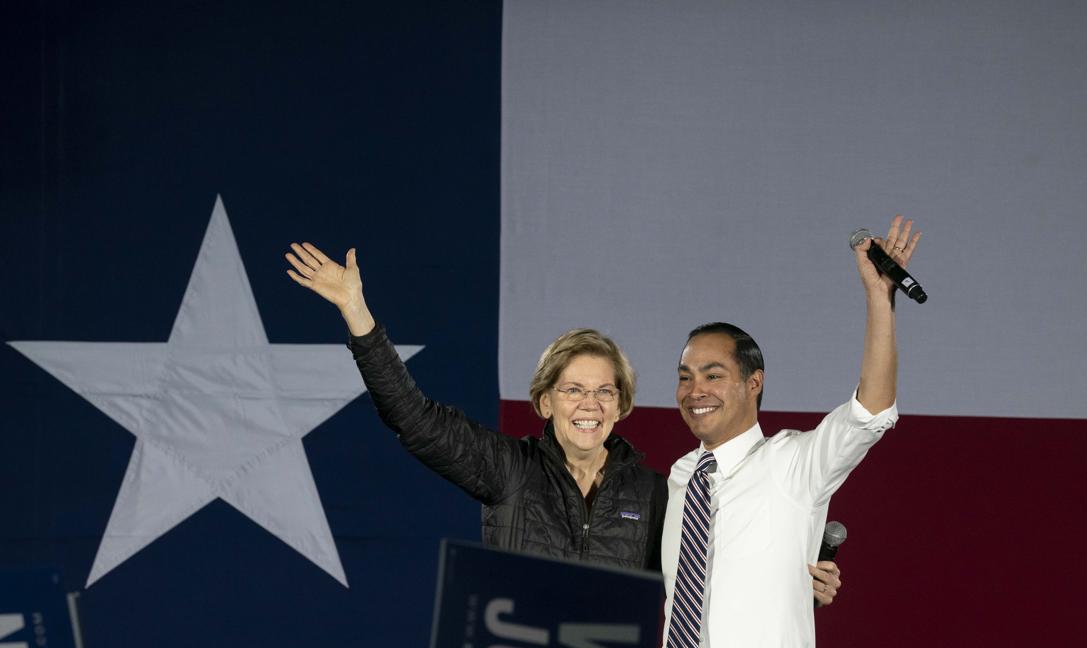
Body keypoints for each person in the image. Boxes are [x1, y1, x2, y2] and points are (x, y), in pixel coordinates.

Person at [282, 244, 844, 597]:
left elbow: (714, 574)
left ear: (622, 406)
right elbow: (413, 418)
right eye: (573, 390)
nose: (590, 404)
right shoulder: (507, 470)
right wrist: (356, 311)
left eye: (605, 391)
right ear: (545, 402)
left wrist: (801, 578)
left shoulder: (658, 493)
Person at [656, 215, 921, 648]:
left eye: (713, 375)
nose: (695, 390)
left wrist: (879, 299)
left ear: (752, 383)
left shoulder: (793, 464)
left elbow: (871, 410)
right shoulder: (681, 475)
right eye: (685, 377)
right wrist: (804, 586)